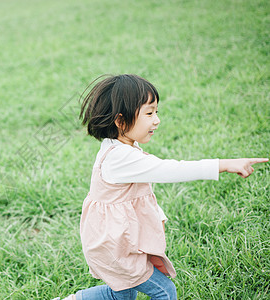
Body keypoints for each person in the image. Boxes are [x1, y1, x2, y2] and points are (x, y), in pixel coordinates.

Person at [59, 74, 268, 300]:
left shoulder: (122, 147)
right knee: (164, 291)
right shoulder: (119, 158)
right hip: (114, 247)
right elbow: (171, 170)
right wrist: (225, 164)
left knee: (121, 294)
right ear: (120, 121)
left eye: (156, 112)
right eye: (149, 113)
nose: (156, 120)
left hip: (116, 241)